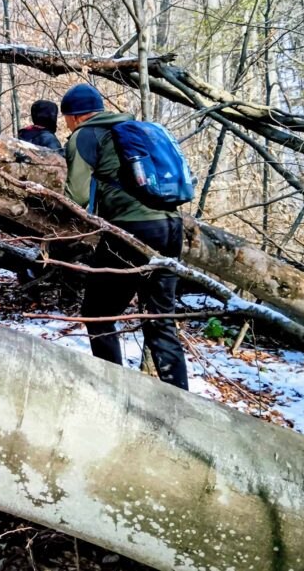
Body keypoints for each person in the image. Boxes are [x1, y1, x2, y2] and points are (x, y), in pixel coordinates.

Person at [60, 83, 189, 390]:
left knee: (97, 314)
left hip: (129, 231)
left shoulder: (84, 135)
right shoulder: (134, 129)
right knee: (160, 320)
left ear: (75, 117)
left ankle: (109, 390)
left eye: (65, 119)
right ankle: (181, 403)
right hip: (170, 227)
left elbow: (75, 196)